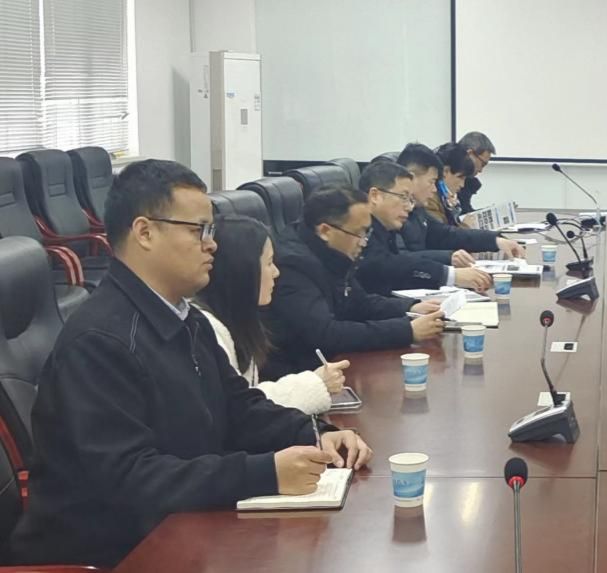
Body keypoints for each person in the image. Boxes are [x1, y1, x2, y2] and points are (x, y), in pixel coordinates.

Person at [7, 160, 371, 567]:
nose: (212, 245)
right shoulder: (101, 341)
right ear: (145, 232)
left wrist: (315, 434)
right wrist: (265, 473)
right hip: (115, 554)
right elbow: (130, 477)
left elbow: (239, 407)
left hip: (181, 528)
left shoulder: (186, 318)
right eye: (199, 230)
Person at [262, 185, 445, 380]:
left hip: (334, 367)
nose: (364, 242)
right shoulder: (293, 265)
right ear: (325, 231)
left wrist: (411, 308)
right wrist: (407, 331)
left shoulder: (330, 250)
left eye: (367, 233)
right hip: (299, 375)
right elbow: (326, 334)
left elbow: (359, 302)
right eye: (359, 233)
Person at [196, 215, 350, 414]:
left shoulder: (239, 321)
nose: (276, 272)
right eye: (269, 263)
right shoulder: (207, 330)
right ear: (242, 270)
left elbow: (248, 395)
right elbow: (239, 411)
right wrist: (316, 383)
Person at [356, 161, 493, 295]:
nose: (409, 207)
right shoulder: (357, 232)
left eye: (410, 199)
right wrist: (449, 275)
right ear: (375, 196)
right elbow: (389, 265)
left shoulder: (384, 229)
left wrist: (411, 306)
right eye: (403, 197)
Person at [396, 142, 524, 258]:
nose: (434, 189)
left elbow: (447, 234)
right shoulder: (394, 211)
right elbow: (400, 260)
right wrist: (450, 260)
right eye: (431, 181)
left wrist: (495, 241)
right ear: (411, 178)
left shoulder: (417, 211)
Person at [456, 131, 496, 214]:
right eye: (482, 164)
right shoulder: (447, 179)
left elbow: (465, 212)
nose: (481, 170)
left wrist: (491, 213)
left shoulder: (468, 182)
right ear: (470, 154)